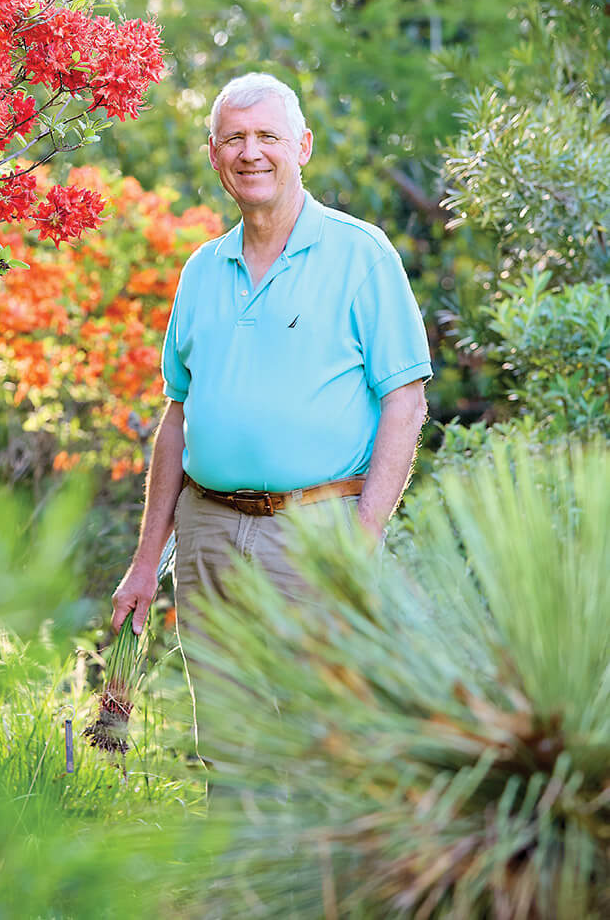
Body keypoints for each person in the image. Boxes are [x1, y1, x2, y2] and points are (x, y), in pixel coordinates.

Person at [110, 72, 432, 742]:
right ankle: (239, 850)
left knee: (321, 730)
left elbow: (405, 401)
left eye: (266, 136)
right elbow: (177, 419)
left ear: (303, 146)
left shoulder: (361, 253)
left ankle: (317, 852)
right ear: (214, 155)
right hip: (209, 533)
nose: (249, 152)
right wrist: (148, 562)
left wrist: (362, 537)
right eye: (234, 138)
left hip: (316, 529)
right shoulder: (201, 269)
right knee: (226, 733)